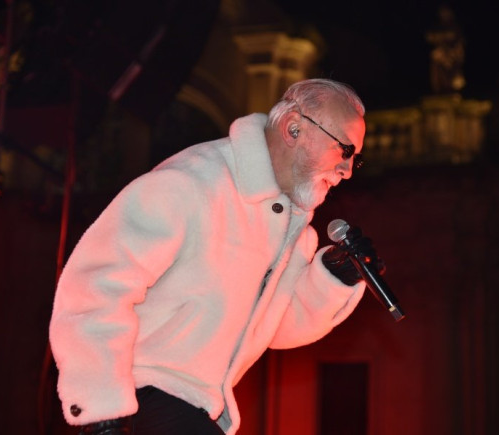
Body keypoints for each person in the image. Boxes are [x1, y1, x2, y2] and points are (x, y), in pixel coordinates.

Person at [49, 78, 382, 434]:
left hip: (194, 407)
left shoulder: (293, 230)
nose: (347, 171)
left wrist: (332, 279)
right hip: (138, 390)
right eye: (344, 150)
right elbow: (94, 287)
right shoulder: (191, 183)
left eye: (356, 159)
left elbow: (272, 327)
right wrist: (103, 411)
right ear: (294, 128)